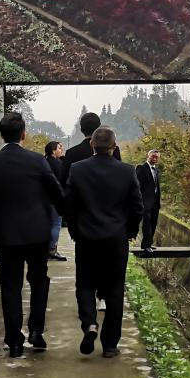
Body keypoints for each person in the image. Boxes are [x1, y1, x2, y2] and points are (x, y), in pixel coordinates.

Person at [0, 113, 65, 357]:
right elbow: (56, 193)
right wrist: (65, 214)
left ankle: (14, 341)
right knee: (39, 281)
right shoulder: (37, 161)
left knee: (10, 286)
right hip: (38, 233)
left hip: (7, 236)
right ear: (23, 134)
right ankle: (36, 330)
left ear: (1, 134)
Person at [64, 127, 142, 358]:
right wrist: (130, 231)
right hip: (116, 239)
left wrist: (75, 231)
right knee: (115, 289)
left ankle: (90, 323)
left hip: (87, 238)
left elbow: (69, 205)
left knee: (85, 284)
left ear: (92, 145)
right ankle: (110, 345)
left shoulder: (78, 169)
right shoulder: (127, 171)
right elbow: (137, 207)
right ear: (114, 147)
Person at [60, 111, 121, 188]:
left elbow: (63, 181)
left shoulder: (71, 153)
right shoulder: (113, 149)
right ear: (99, 128)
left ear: (81, 129)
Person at [135, 149, 162, 252]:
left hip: (155, 202)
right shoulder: (141, 168)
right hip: (145, 202)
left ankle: (149, 244)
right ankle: (146, 245)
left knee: (153, 222)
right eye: (153, 156)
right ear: (148, 156)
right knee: (147, 224)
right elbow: (137, 186)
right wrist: (139, 201)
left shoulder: (156, 170)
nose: (154, 159)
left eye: (157, 157)